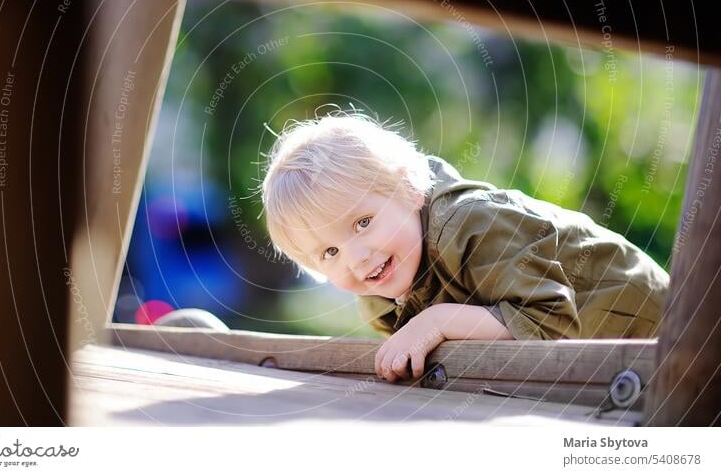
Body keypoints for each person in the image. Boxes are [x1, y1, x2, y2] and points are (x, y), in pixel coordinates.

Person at [259, 112, 669, 383]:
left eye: (363, 222)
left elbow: (552, 324)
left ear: (406, 189)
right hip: (602, 375)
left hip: (670, 331)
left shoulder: (471, 224)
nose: (356, 256)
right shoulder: (380, 297)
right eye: (329, 253)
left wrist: (438, 320)